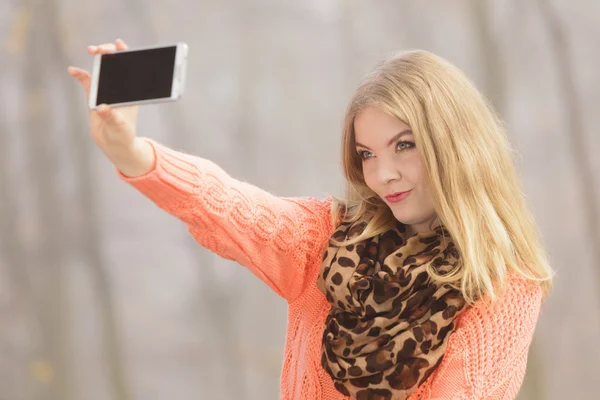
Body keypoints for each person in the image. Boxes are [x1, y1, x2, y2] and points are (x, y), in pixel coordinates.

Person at [67, 39, 554, 400]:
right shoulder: (328, 239)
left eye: (404, 145)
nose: (384, 174)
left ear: (453, 141)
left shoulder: (505, 284)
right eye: (367, 154)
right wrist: (131, 154)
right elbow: (227, 205)